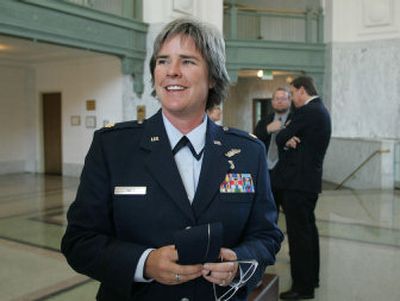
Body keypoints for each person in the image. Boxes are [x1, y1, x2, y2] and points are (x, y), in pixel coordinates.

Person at [61, 18, 283, 301]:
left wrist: (239, 262)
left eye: (188, 61)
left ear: (213, 75)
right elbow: (79, 242)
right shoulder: (113, 147)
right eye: (163, 61)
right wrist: (144, 263)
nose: (172, 72)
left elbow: (267, 236)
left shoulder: (248, 152)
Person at [274, 76, 331, 300]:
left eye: (292, 92)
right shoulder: (320, 110)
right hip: (307, 183)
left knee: (299, 238)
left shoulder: (308, 111)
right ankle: (311, 280)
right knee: (308, 234)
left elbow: (282, 136)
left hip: (297, 185)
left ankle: (302, 288)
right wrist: (288, 136)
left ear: (301, 90)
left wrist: (287, 134)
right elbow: (288, 137)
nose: (292, 98)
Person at [254, 87, 292, 215]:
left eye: (283, 98)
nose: (280, 101)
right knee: (269, 212)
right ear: (272, 102)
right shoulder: (264, 121)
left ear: (289, 101)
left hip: (288, 174)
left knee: (292, 214)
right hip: (267, 172)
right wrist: (267, 130)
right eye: (277, 99)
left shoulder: (296, 119)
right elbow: (255, 139)